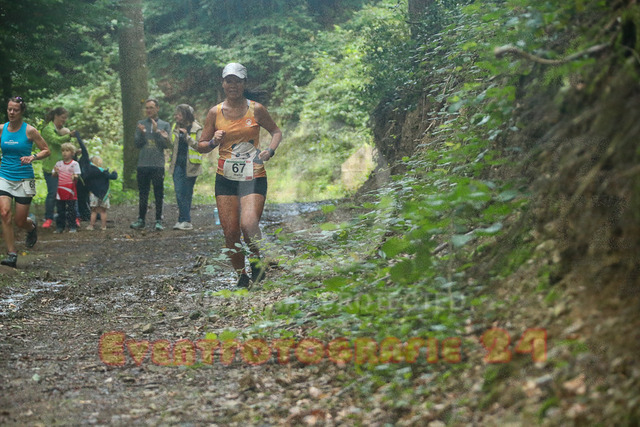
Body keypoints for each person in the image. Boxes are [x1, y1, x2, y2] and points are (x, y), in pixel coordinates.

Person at [198, 63, 282, 288]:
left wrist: (270, 151)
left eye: (237, 81)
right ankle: (241, 276)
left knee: (248, 224)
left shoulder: (257, 109)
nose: (233, 85)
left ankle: (256, 261)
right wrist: (213, 141)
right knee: (231, 231)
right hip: (225, 179)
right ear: (223, 83)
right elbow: (201, 146)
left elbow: (276, 131)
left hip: (253, 176)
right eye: (229, 81)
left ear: (244, 83)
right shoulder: (215, 112)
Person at [0, 96, 50, 268]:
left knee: (20, 221)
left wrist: (33, 157)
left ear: (21, 112)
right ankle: (12, 254)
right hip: (4, 176)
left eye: (15, 110)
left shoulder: (30, 131)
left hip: (24, 178)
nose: (12, 112)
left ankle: (31, 226)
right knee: (4, 213)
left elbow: (46, 150)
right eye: (9, 109)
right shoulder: (2, 129)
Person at [131, 98, 171, 231]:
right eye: (147, 108)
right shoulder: (141, 124)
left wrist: (157, 132)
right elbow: (137, 144)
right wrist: (142, 134)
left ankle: (158, 220)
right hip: (143, 164)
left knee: (158, 193)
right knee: (143, 193)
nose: (148, 110)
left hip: (157, 165)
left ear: (157, 108)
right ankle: (141, 219)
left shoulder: (165, 125)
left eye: (151, 108)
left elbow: (166, 145)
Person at [40, 106, 77, 229]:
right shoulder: (48, 129)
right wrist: (69, 135)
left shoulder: (62, 129)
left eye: (65, 118)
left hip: (65, 167)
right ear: (56, 116)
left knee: (68, 192)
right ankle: (48, 218)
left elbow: (66, 145)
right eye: (62, 117)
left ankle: (71, 217)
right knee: (52, 193)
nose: (64, 120)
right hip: (51, 166)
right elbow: (56, 141)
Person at [169, 104, 203, 230]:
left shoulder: (197, 128)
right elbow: (172, 145)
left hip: (191, 165)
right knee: (179, 192)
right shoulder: (175, 127)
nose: (176, 116)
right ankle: (183, 219)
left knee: (187, 193)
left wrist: (187, 137)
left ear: (185, 115)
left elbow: (200, 146)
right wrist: (165, 138)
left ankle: (185, 220)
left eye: (178, 114)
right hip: (177, 164)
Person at [75, 134, 117, 231]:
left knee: (93, 209)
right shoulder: (102, 172)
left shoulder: (85, 167)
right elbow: (113, 177)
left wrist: (76, 154)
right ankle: (103, 226)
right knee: (102, 211)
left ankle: (91, 225)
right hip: (101, 193)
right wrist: (114, 172)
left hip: (89, 189)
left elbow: (78, 156)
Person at [52, 142, 81, 233]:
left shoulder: (75, 164)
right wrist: (55, 172)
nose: (64, 153)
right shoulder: (59, 164)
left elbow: (77, 175)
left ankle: (72, 226)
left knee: (71, 210)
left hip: (71, 191)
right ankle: (60, 227)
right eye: (63, 151)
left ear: (72, 153)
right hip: (60, 191)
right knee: (60, 210)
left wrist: (74, 176)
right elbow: (54, 175)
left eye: (67, 151)